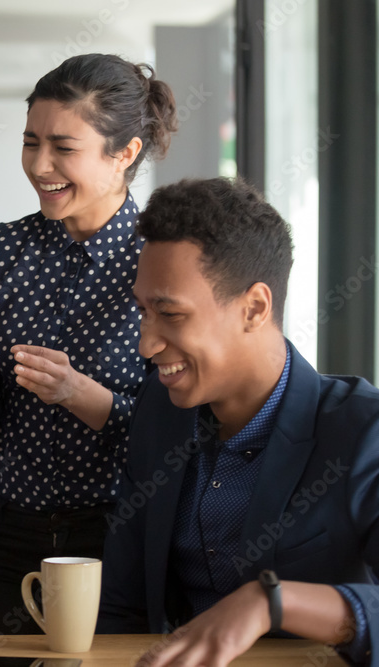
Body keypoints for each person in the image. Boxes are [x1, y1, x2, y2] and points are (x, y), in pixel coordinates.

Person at [0, 53, 177, 634]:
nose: (40, 165)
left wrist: (81, 394)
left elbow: (189, 428)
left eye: (63, 147)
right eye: (30, 142)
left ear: (125, 154)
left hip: (118, 534)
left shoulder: (163, 262)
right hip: (5, 531)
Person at [99, 177, 379, 666]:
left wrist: (271, 602)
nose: (146, 343)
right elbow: (121, 607)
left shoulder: (362, 430)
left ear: (254, 308)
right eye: (143, 312)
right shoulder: (159, 411)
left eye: (170, 314)